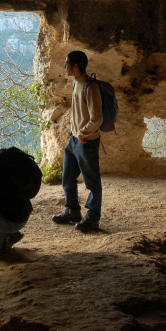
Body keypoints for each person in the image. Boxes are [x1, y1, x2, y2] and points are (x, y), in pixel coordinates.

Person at [52, 50, 103, 232]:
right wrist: (75, 134)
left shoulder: (91, 87)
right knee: (68, 177)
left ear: (76, 66)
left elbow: (97, 118)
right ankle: (72, 211)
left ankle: (92, 218)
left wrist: (81, 133)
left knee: (92, 182)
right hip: (74, 140)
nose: (64, 66)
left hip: (86, 141)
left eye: (67, 63)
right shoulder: (76, 83)